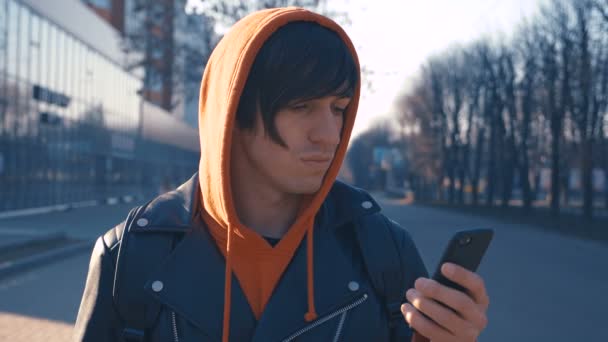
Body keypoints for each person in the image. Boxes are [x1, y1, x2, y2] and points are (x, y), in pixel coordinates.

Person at [73, 7, 489, 342]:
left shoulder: (381, 249)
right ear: (234, 111)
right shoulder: (130, 254)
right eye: (302, 106)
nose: (329, 135)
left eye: (338, 109)